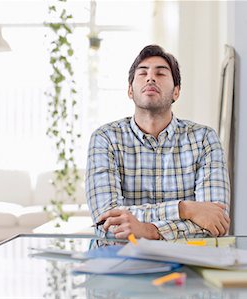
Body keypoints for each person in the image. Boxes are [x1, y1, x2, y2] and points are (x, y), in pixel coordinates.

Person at [86, 45, 230, 240]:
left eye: (161, 73)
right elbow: (107, 219)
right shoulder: (105, 138)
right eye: (142, 73)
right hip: (118, 260)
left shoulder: (204, 139)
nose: (150, 78)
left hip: (185, 261)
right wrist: (185, 209)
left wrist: (148, 231)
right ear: (130, 90)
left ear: (176, 92)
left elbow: (216, 222)